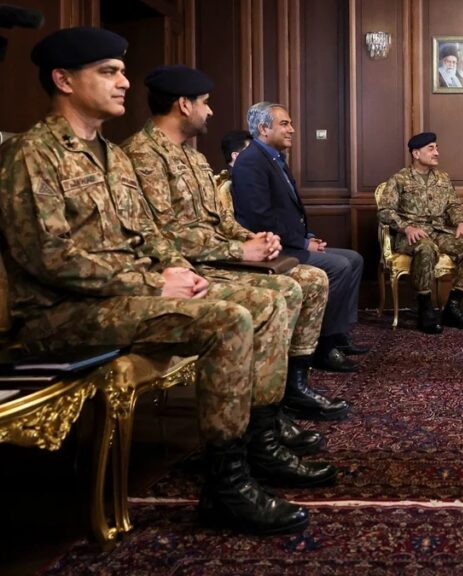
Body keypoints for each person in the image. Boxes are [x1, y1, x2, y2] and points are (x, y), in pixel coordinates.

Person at [0, 27, 329, 535]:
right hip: (61, 312)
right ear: (63, 80)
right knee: (229, 320)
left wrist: (178, 270)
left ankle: (256, 446)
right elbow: (51, 258)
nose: (124, 82)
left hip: (119, 296)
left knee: (260, 302)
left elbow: (151, 234)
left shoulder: (110, 155)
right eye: (108, 72)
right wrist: (152, 283)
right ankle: (226, 485)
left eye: (122, 72)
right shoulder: (33, 154)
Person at [122, 65, 352, 424]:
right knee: (281, 293)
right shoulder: (141, 155)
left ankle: (291, 390)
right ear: (184, 104)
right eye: (205, 102)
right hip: (183, 268)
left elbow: (219, 220)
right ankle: (262, 420)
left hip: (211, 258)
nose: (210, 110)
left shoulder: (194, 157)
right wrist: (239, 250)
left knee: (311, 279)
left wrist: (252, 238)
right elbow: (165, 233)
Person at [231, 101, 369, 372]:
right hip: (272, 249)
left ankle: (338, 334)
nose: (292, 129)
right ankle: (324, 347)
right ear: (263, 129)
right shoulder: (250, 162)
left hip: (291, 241)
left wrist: (309, 236)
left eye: (291, 123)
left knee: (354, 259)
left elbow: (289, 211)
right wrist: (303, 243)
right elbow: (261, 218)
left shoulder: (274, 158)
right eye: (284, 124)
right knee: (340, 266)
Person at [377, 132, 463, 333]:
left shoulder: (443, 178)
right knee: (425, 248)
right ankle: (425, 309)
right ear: (416, 153)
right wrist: (407, 227)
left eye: (436, 148)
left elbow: (453, 205)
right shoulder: (399, 179)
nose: (437, 153)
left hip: (439, 231)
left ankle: (452, 307)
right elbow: (385, 211)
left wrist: (461, 223)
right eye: (431, 148)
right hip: (411, 235)